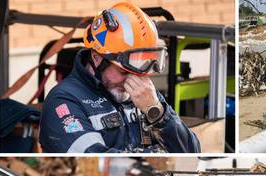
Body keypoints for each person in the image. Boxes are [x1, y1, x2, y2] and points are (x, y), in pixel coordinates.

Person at [39, 2, 201, 153]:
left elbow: (191, 152)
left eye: (140, 71)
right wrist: (157, 155)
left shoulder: (144, 94)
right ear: (96, 58)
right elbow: (96, 162)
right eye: (124, 72)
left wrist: (156, 113)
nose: (134, 82)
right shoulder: (64, 101)